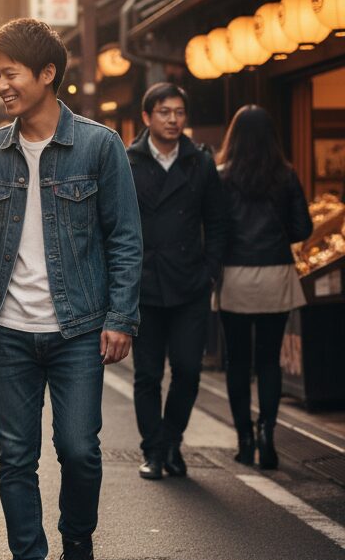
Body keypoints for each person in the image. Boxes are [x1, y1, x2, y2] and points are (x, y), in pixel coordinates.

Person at [0, 18, 141, 560]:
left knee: (79, 449)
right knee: (16, 457)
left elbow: (125, 238)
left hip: (79, 327)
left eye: (10, 74)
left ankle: (78, 540)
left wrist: (119, 315)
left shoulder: (98, 146)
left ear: (47, 74)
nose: (0, 85)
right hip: (9, 329)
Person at [127, 83, 227, 480]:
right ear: (147, 117)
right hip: (144, 285)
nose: (172, 119)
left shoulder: (200, 161)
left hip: (189, 285)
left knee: (188, 369)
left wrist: (210, 271)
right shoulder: (127, 160)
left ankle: (172, 441)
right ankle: (153, 450)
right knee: (147, 374)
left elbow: (217, 221)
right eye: (164, 112)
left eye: (179, 113)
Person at [215, 105, 312, 470]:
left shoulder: (221, 176)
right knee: (269, 361)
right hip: (276, 273)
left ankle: (244, 438)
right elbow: (303, 228)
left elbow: (216, 228)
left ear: (234, 137)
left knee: (237, 361)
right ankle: (268, 435)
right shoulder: (285, 176)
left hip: (235, 275)